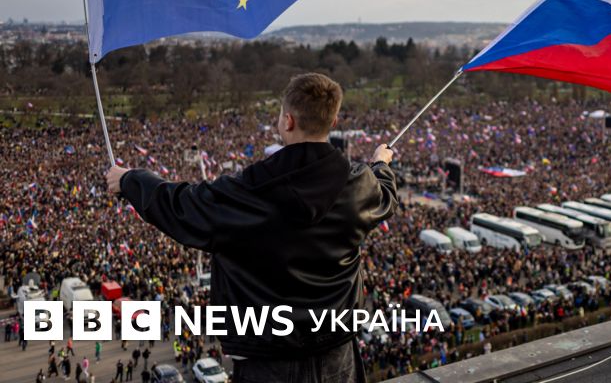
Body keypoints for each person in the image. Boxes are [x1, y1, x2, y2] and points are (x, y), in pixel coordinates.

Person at [106, 73, 398, 383]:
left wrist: (128, 180)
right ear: (334, 120)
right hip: (337, 352)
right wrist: (380, 165)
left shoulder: (247, 193)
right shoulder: (359, 185)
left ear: (287, 121)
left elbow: (182, 206)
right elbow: (385, 196)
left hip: (268, 359)